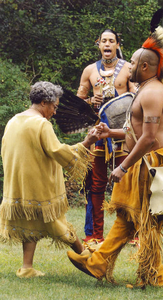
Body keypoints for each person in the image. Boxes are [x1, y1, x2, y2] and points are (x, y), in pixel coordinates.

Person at [67, 25, 163, 287]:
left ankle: (155, 277)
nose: (127, 65)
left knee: (144, 221)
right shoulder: (145, 89)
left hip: (149, 163)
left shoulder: (152, 93)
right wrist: (110, 133)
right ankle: (98, 264)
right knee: (127, 217)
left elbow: (149, 138)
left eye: (131, 62)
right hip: (142, 161)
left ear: (144, 67)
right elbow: (134, 129)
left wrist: (123, 167)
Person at [0, 81, 100, 278]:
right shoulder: (41, 124)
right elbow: (57, 152)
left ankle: (27, 267)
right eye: (54, 106)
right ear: (44, 103)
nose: (55, 112)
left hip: (18, 183)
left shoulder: (14, 120)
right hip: (39, 185)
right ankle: (88, 258)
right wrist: (87, 142)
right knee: (56, 222)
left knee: (31, 223)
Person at [77, 29, 135, 243]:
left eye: (112, 41)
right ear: (98, 44)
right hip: (99, 133)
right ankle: (94, 235)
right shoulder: (90, 70)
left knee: (127, 181)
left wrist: (115, 99)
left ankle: (132, 233)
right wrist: (91, 101)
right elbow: (79, 101)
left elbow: (136, 99)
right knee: (96, 183)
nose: (108, 44)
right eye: (104, 41)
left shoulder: (129, 68)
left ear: (118, 44)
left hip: (123, 133)